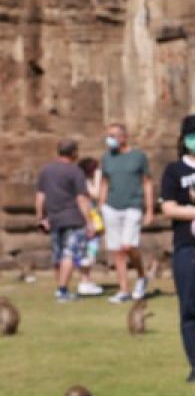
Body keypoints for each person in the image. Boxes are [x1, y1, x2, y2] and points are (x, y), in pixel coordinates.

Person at [160, 115, 195, 382]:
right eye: (193, 136)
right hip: (187, 245)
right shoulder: (174, 170)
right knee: (190, 307)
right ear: (184, 139)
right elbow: (168, 208)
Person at [35, 140, 96, 302]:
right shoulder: (75, 172)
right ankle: (62, 290)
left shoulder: (46, 171)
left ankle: (61, 287)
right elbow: (82, 199)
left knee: (59, 255)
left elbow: (40, 196)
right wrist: (89, 222)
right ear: (74, 153)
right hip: (73, 219)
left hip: (54, 218)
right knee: (70, 254)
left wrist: (41, 217)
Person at [100, 122, 153, 303]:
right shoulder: (106, 158)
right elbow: (104, 183)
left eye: (113, 135)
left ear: (124, 137)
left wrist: (150, 210)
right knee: (117, 251)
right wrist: (101, 206)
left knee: (128, 247)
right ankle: (123, 289)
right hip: (111, 207)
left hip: (133, 205)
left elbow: (147, 182)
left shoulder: (138, 157)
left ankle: (141, 276)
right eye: (108, 136)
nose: (110, 140)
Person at [74, 157, 106, 297]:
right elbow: (95, 194)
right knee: (88, 253)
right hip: (88, 220)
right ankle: (84, 282)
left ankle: (86, 280)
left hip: (91, 218)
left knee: (89, 252)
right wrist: (99, 177)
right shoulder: (84, 182)